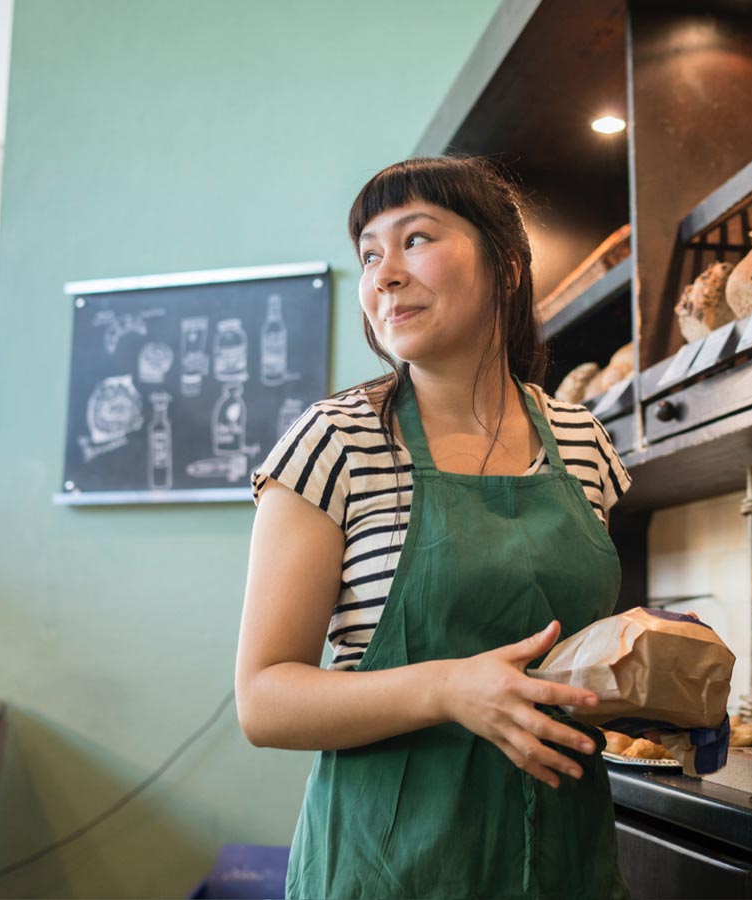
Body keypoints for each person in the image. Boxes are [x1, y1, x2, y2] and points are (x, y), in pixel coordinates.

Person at [236, 156, 632, 899]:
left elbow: (576, 656)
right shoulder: (334, 442)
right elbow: (264, 700)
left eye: (416, 239)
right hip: (390, 870)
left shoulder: (585, 443)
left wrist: (651, 691)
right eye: (370, 255)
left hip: (564, 867)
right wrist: (450, 689)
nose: (384, 274)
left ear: (507, 267)